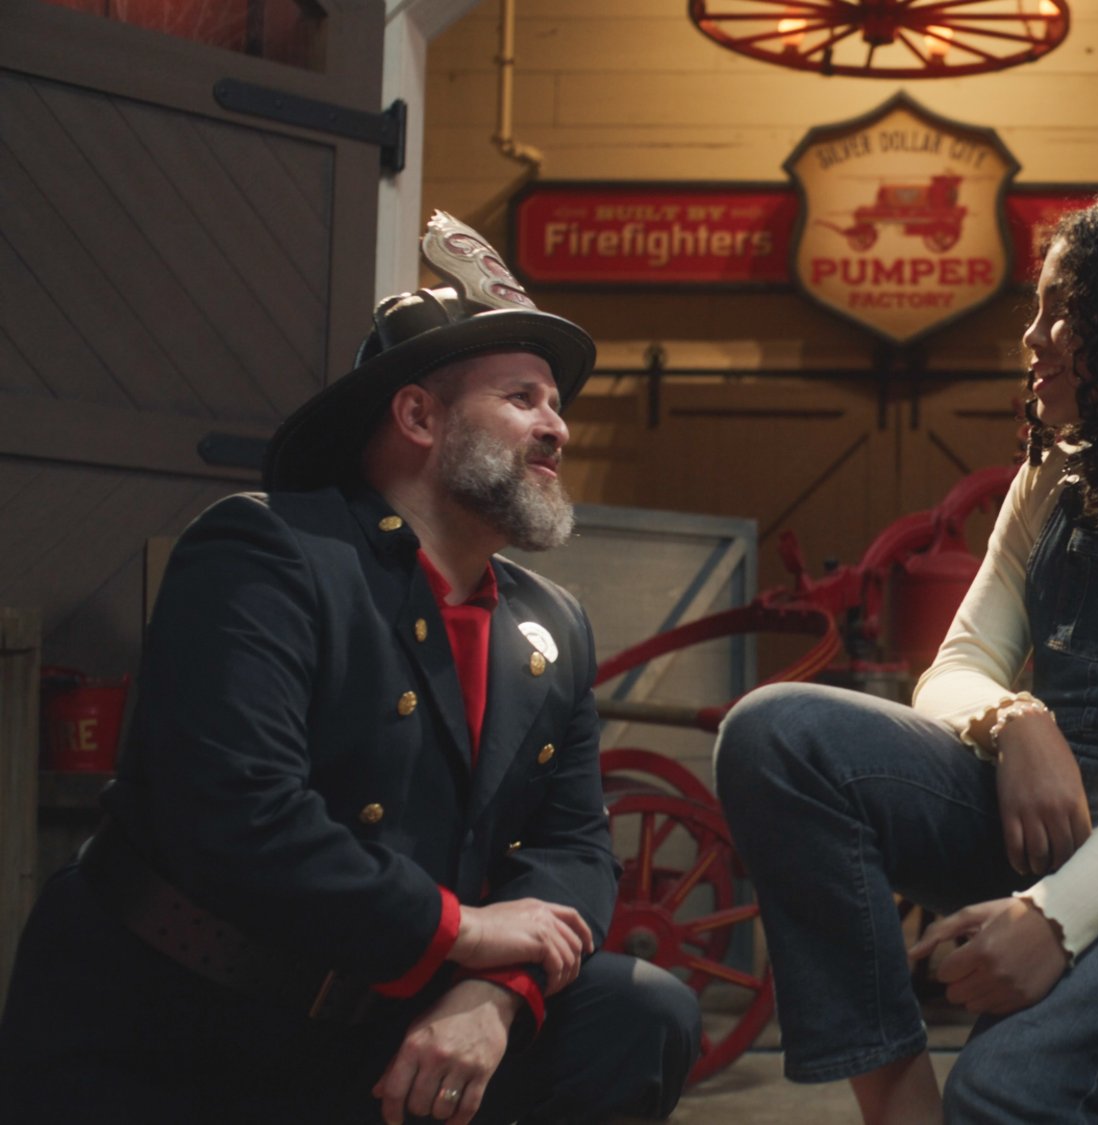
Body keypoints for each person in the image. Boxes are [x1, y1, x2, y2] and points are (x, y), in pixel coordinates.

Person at [0, 213, 699, 1124]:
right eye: (524, 398)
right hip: (186, 1033)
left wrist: (496, 995)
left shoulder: (551, 620)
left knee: (638, 1011)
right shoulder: (268, 550)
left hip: (391, 1019)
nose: (556, 428)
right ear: (418, 415)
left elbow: (574, 849)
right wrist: (460, 931)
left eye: (557, 405)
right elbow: (237, 811)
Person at [712, 198, 1098, 1124]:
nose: (1033, 340)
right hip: (1045, 804)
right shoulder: (1056, 473)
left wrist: (1053, 917)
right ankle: (899, 1106)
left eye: (1062, 316)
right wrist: (1017, 720)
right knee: (774, 733)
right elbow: (956, 667)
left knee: (1004, 1088)